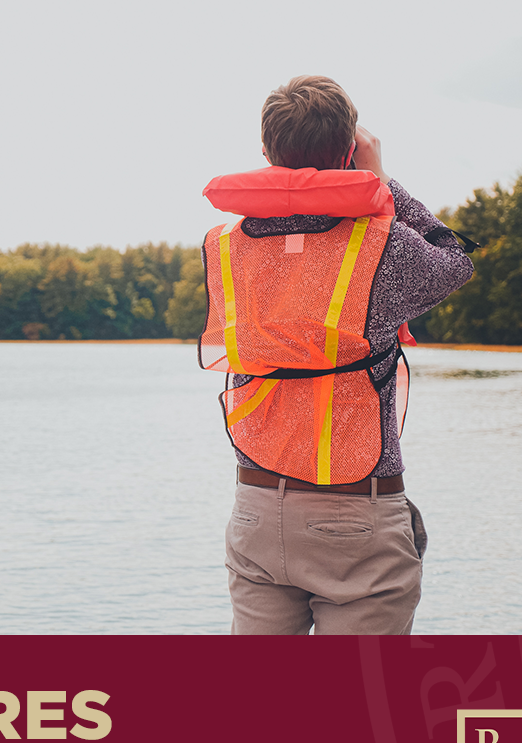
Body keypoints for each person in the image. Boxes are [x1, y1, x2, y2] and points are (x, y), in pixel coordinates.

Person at [199, 75, 474, 635]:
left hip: (256, 510)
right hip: (357, 517)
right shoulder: (383, 243)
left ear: (267, 153)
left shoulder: (224, 247)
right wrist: (379, 182)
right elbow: (455, 257)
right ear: (349, 150)